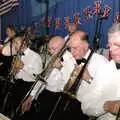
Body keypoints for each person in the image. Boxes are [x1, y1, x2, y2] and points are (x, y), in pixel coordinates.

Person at [22, 32, 108, 120]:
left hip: (84, 108)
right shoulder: (72, 58)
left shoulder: (100, 62)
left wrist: (89, 79)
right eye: (71, 49)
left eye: (75, 48)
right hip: (67, 101)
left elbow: (105, 92)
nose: (72, 53)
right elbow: (66, 86)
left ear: (86, 45)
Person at [81, 23, 120, 120]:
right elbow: (86, 105)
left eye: (117, 45)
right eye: (109, 45)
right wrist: (107, 105)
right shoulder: (105, 69)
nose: (111, 50)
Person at [1, 33, 43, 118]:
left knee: (20, 115)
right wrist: (14, 71)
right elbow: (16, 75)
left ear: (24, 43)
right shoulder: (17, 55)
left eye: (16, 43)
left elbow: (39, 79)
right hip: (16, 86)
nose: (14, 45)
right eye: (13, 43)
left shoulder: (35, 57)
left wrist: (23, 67)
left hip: (27, 88)